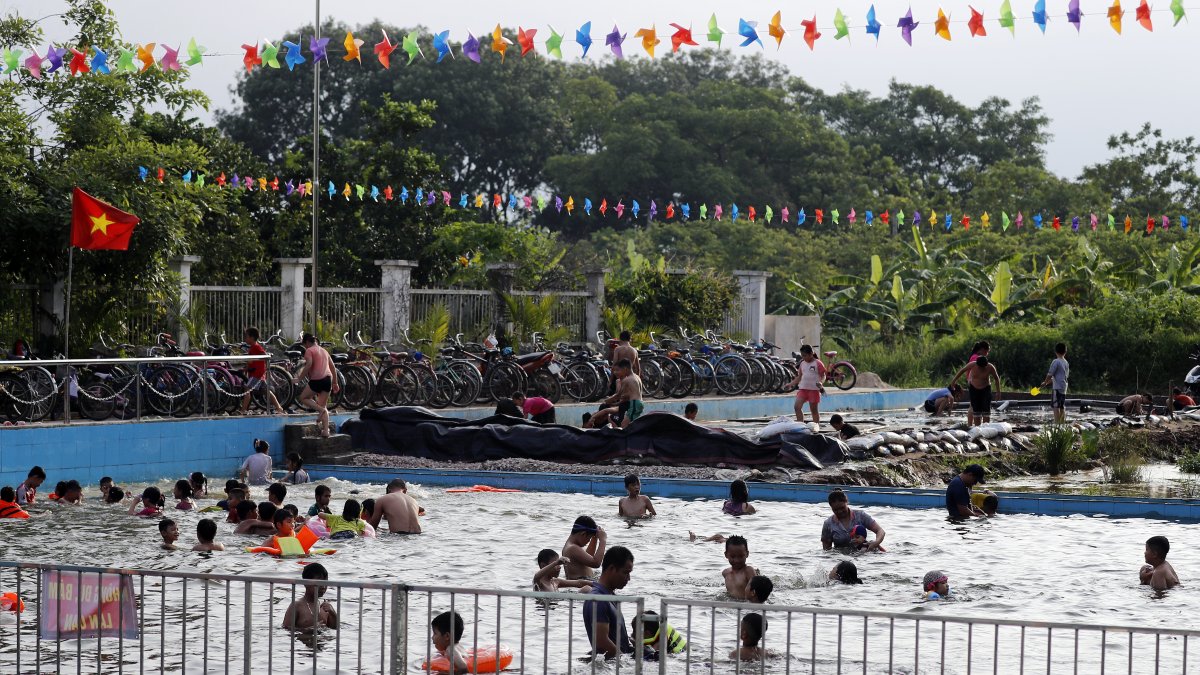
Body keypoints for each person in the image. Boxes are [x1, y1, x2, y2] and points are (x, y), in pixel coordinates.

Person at [581, 546, 635, 659]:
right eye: (625, 573)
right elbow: (601, 642)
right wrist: (624, 661)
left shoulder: (609, 596)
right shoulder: (598, 600)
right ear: (611, 569)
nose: (628, 578)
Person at [293, 332, 340, 437]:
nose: (305, 347)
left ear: (307, 342)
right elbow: (333, 368)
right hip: (328, 379)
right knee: (323, 405)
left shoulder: (309, 350)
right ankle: (326, 431)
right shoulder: (324, 351)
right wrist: (335, 382)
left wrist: (299, 378)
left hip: (317, 380)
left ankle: (320, 410)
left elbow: (309, 364)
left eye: (304, 345)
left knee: (303, 397)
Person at [240, 326, 286, 415]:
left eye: (246, 336)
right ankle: (278, 407)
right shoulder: (253, 347)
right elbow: (251, 361)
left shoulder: (256, 347)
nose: (245, 338)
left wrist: (265, 363)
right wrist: (246, 368)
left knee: (247, 389)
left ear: (252, 338)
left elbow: (263, 354)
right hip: (258, 373)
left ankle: (243, 409)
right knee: (266, 391)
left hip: (257, 374)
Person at [821, 489, 885, 551]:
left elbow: (880, 531)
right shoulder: (828, 524)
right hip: (840, 557)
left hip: (862, 555)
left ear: (847, 502)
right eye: (835, 510)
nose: (840, 511)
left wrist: (876, 542)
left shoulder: (860, 515)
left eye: (842, 508)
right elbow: (826, 551)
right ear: (831, 507)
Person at [587, 359, 644, 429]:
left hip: (635, 404)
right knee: (626, 424)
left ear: (625, 369)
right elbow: (631, 393)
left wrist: (607, 401)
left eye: (619, 370)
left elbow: (618, 395)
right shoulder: (636, 377)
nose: (616, 372)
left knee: (624, 425)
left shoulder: (627, 380)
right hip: (638, 402)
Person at [282, 563, 339, 630]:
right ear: (306, 583)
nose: (323, 587)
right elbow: (286, 629)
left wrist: (333, 613)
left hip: (322, 640)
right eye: (319, 582)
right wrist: (308, 630)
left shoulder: (325, 607)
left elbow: (334, 628)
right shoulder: (297, 606)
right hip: (303, 639)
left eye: (325, 583)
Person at [950, 356, 1002, 426]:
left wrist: (998, 392)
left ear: (986, 365)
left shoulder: (990, 367)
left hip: (985, 388)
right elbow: (962, 371)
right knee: (976, 409)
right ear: (977, 364)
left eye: (983, 367)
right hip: (974, 388)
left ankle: (986, 427)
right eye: (979, 367)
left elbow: (996, 378)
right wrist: (953, 381)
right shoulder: (972, 364)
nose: (981, 369)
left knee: (986, 409)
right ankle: (977, 427)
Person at [787, 345, 827, 425]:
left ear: (811, 354)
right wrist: (790, 384)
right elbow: (799, 377)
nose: (803, 357)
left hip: (814, 390)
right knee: (797, 407)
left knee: (814, 410)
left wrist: (821, 382)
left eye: (805, 355)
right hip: (803, 389)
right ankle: (800, 425)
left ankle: (816, 426)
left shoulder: (818, 363)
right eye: (802, 355)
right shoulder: (802, 363)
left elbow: (823, 375)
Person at [722, 536, 759, 600]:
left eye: (741, 556)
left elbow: (758, 592)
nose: (737, 560)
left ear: (747, 554)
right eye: (733, 557)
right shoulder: (725, 573)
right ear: (726, 555)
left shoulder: (748, 571)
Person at [1041, 342, 1070, 424]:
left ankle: (1057, 425)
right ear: (1065, 352)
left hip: (1057, 388)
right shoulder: (1066, 362)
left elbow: (1050, 374)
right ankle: (1062, 424)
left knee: (1055, 406)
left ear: (1055, 351)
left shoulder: (1056, 361)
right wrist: (1047, 383)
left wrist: (1045, 382)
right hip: (1064, 388)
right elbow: (1058, 377)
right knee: (1061, 406)